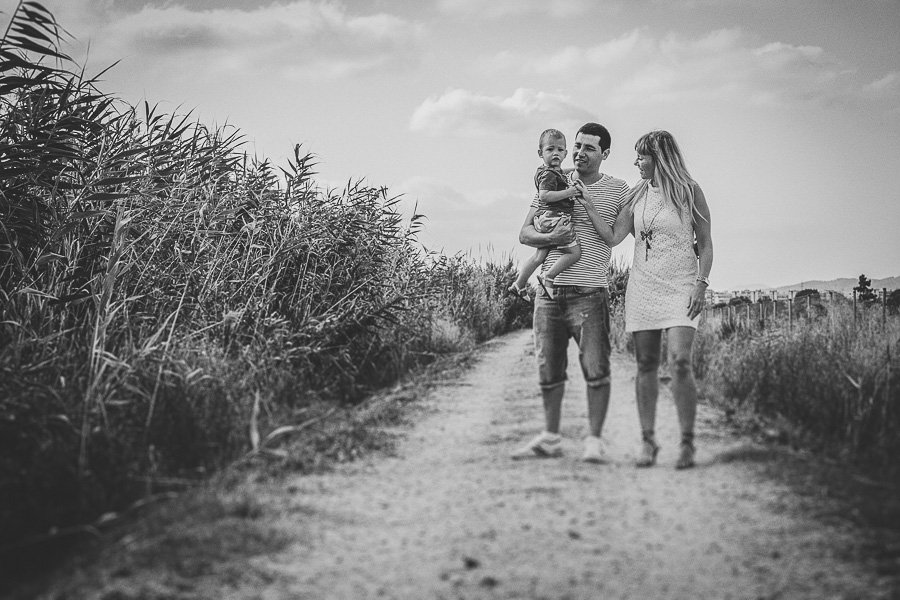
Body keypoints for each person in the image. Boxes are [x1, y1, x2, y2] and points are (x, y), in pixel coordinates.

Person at [587, 130, 713, 469]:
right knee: (645, 364)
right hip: (643, 287)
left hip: (682, 285)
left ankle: (687, 443)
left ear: (660, 158)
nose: (636, 162)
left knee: (680, 361)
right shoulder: (637, 194)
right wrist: (586, 204)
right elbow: (613, 237)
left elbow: (706, 243)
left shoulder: (690, 192)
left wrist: (701, 284)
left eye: (642, 156)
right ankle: (648, 441)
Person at [511, 122, 629, 463]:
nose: (578, 153)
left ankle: (594, 439)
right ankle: (550, 437)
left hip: (590, 292)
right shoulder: (555, 178)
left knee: (596, 367)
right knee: (548, 367)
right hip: (548, 294)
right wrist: (552, 240)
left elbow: (616, 237)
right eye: (576, 145)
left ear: (604, 154)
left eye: (589, 148)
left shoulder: (618, 190)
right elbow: (524, 233)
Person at [508, 129, 582, 301]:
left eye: (559, 150)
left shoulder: (549, 171)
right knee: (574, 253)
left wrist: (577, 170)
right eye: (550, 149)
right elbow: (544, 195)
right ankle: (548, 277)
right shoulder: (549, 174)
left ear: (565, 153)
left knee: (539, 256)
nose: (555, 153)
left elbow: (562, 174)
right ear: (540, 153)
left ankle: (518, 284)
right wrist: (569, 191)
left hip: (544, 218)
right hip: (554, 218)